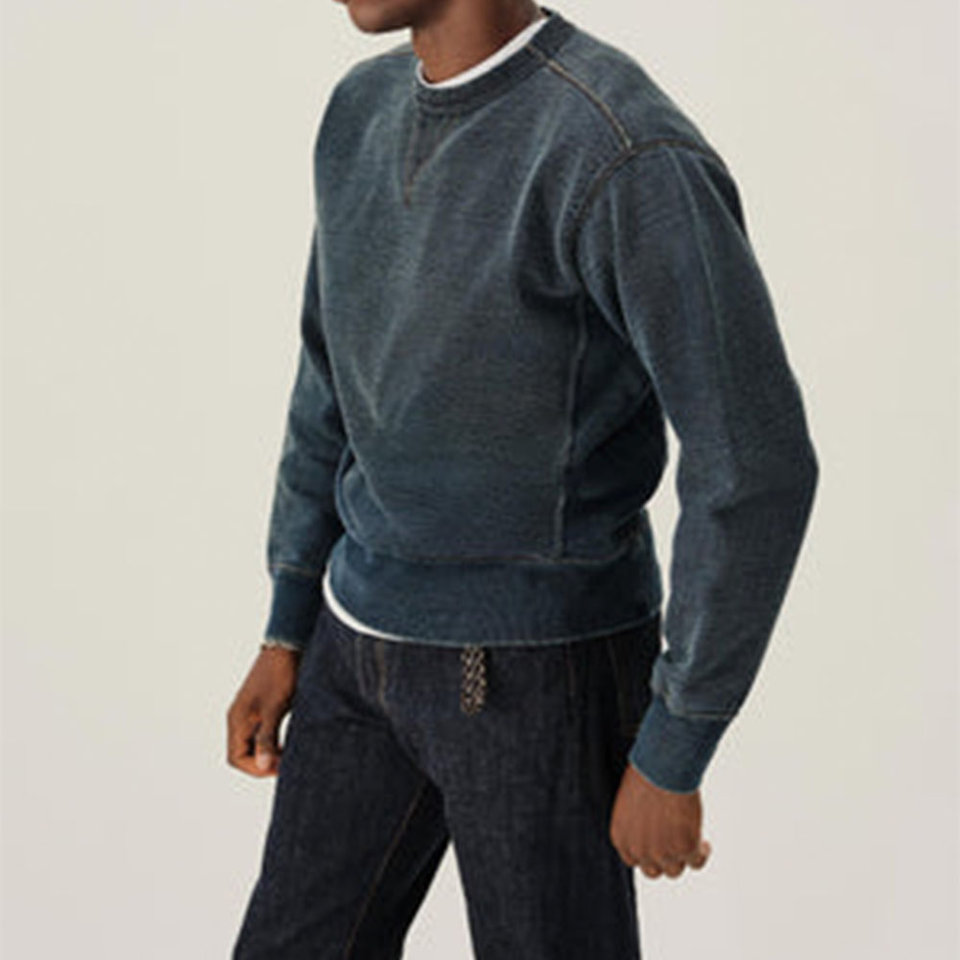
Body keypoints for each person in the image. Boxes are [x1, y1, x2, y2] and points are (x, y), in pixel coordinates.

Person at [227, 1, 819, 956]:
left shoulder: (620, 149)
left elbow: (754, 466)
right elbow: (327, 380)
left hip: (540, 675)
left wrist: (676, 744)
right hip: (353, 651)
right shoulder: (358, 113)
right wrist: (286, 625)